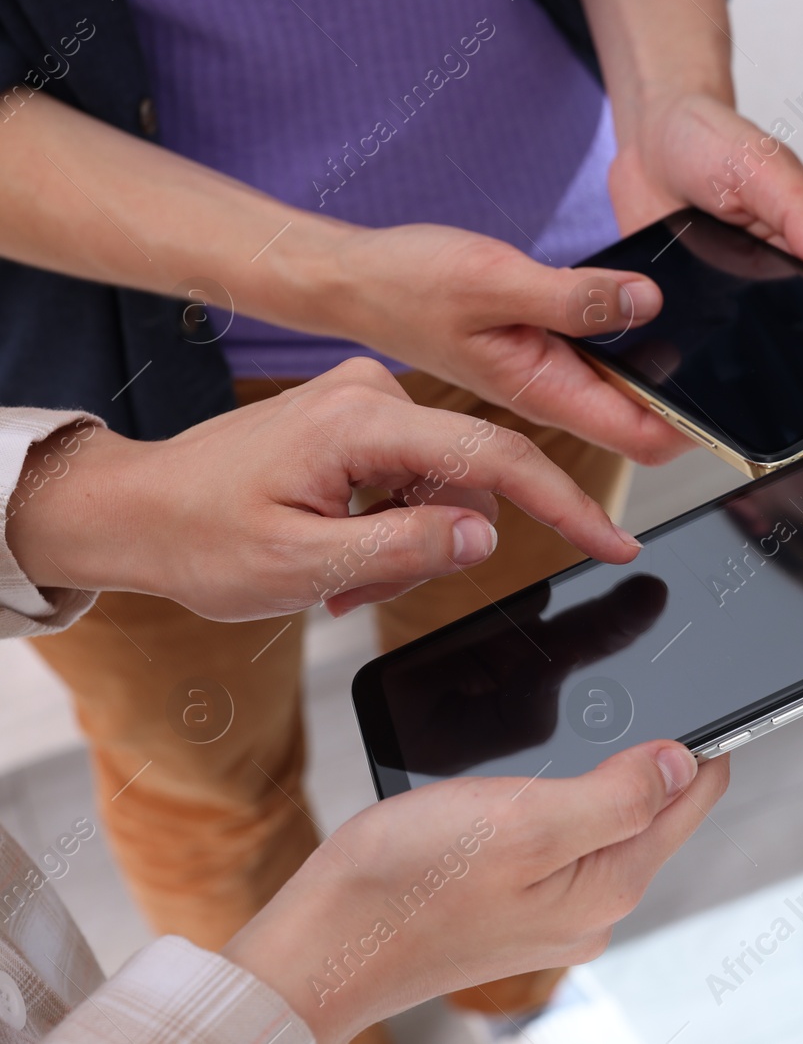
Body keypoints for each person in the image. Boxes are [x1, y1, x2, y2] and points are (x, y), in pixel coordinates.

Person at [0, 0, 803, 1034]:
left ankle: (509, 1002)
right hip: (122, 387)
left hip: (552, 297)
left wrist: (669, 95)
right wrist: (333, 277)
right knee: (205, 782)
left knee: (535, 723)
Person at [0, 378, 728, 1043]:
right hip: (109, 376)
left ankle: (517, 998)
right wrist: (328, 967)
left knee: (507, 709)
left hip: (512, 324)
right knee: (209, 789)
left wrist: (69, 498)